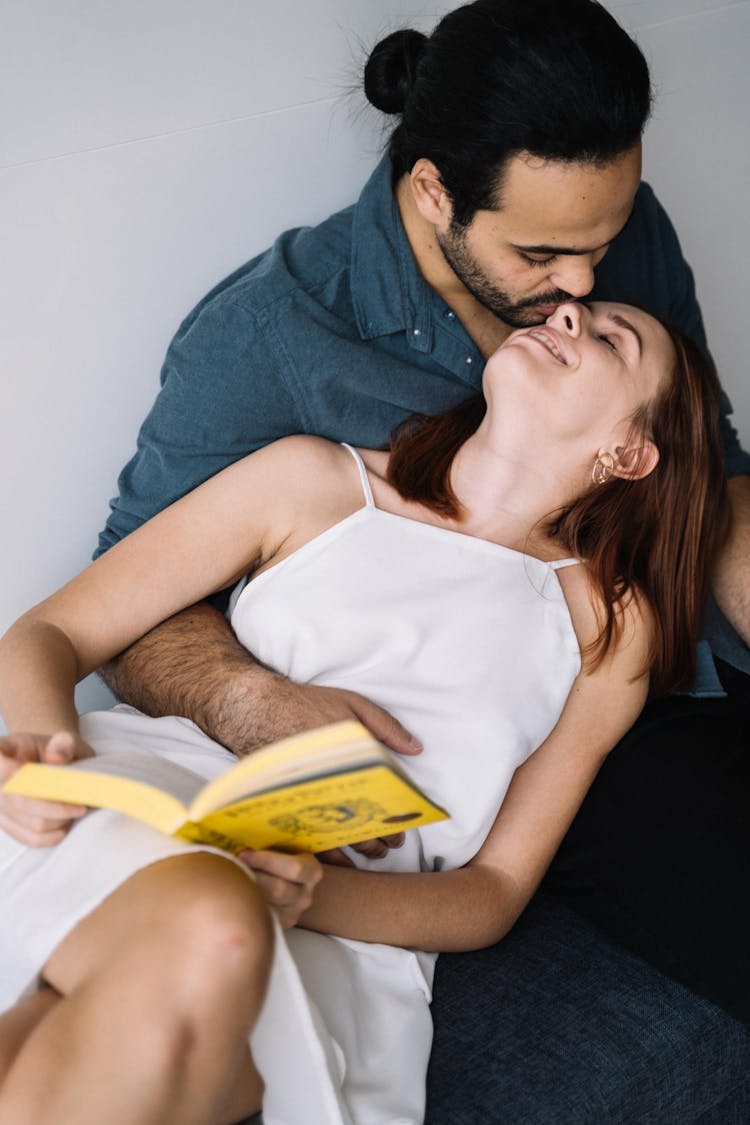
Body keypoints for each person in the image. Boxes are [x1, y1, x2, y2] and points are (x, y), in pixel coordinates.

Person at [48, 0, 750, 1088]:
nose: (577, 289)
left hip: (607, 676)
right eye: (543, 255)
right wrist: (254, 704)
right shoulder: (274, 344)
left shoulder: (610, 234)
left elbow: (703, 457)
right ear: (433, 192)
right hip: (367, 772)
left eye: (602, 256)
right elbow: (112, 611)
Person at [0, 301, 730, 1125]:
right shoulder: (312, 480)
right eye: (570, 310)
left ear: (628, 451)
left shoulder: (609, 625)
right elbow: (48, 631)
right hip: (157, 798)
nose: (567, 311)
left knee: (175, 977)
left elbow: (492, 891)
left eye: (607, 337)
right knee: (211, 935)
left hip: (324, 910)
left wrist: (309, 897)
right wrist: (44, 759)